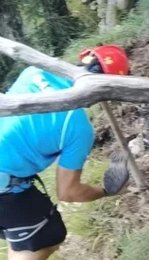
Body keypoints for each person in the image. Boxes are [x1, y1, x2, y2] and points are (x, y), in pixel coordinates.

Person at [0, 45, 131, 260]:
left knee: (26, 232)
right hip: (4, 189)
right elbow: (68, 192)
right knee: (45, 237)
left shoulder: (34, 71)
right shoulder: (77, 126)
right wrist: (108, 191)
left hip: (7, 183)